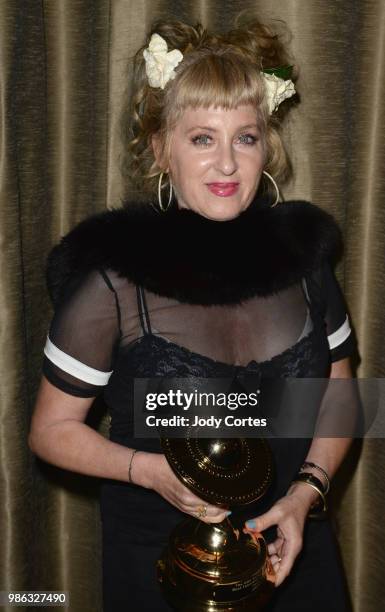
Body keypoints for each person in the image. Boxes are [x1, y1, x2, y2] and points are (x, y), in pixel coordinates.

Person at [28, 15, 357, 612]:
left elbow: (341, 396)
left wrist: (304, 497)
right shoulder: (113, 283)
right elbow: (50, 433)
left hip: (292, 552)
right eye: (202, 138)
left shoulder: (307, 265)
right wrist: (148, 471)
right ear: (160, 149)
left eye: (246, 137)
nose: (228, 165)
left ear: (267, 146)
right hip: (162, 565)